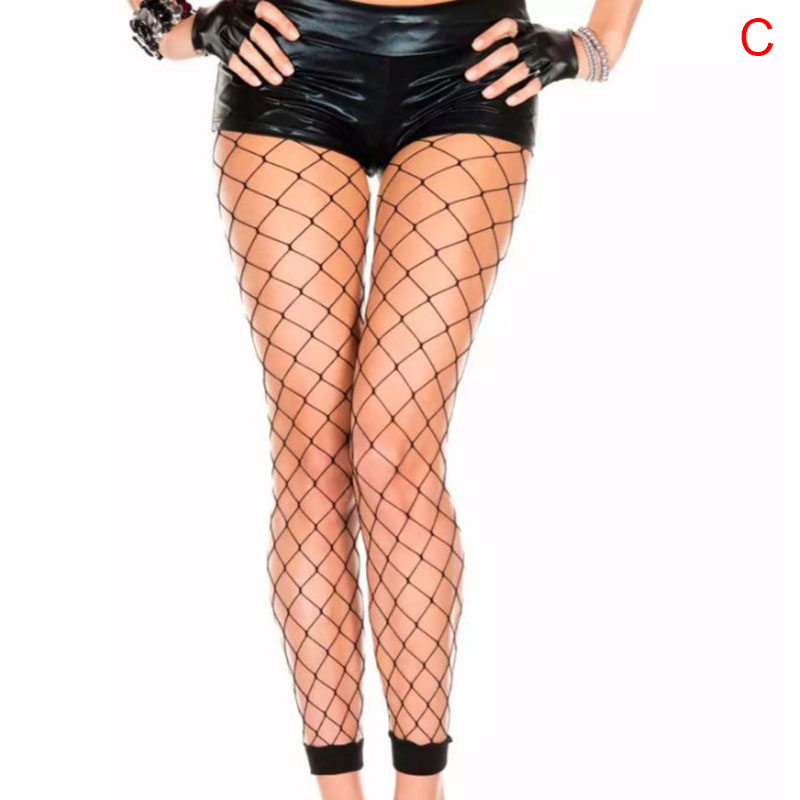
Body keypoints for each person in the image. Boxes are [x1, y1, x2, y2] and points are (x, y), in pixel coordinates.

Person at [128, 1, 643, 798]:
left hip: (471, 67)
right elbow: (161, 20)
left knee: (392, 452)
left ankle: (421, 792)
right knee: (313, 457)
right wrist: (174, 25)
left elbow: (600, 41)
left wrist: (599, 44)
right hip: (290, 58)